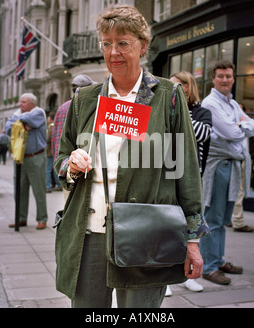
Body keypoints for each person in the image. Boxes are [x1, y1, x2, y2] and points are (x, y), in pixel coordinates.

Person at [54, 4, 210, 308]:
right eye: (107, 44)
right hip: (89, 236)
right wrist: (70, 166)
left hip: (145, 234)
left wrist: (192, 240)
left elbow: (186, 172)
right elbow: (60, 161)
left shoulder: (167, 96)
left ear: (143, 46)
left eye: (123, 43)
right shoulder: (85, 101)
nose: (114, 52)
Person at [200, 60, 254, 285]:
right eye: (221, 76)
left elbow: (250, 126)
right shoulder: (211, 103)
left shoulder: (232, 103)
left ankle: (218, 259)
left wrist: (240, 126)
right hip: (218, 167)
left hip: (231, 165)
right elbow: (233, 132)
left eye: (228, 76)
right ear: (213, 79)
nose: (225, 80)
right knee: (213, 217)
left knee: (223, 218)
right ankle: (208, 267)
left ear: (234, 79)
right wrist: (240, 125)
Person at [166, 71, 212, 294]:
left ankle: (187, 274)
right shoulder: (164, 110)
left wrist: (180, 112)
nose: (173, 89)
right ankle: (164, 277)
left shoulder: (202, 112)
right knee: (165, 224)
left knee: (191, 224)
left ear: (188, 88)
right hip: (166, 173)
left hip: (192, 176)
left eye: (179, 86)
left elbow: (202, 133)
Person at [5, 93, 48, 230]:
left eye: (24, 102)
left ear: (32, 104)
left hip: (36, 157)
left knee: (38, 190)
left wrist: (17, 122)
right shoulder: (19, 113)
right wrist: (23, 123)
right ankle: (21, 218)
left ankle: (42, 219)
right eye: (20, 102)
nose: (20, 104)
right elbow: (7, 128)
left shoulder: (39, 113)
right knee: (20, 189)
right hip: (20, 158)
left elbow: (29, 120)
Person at [52, 74, 96, 199]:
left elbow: (55, 142)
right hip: (82, 168)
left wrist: (60, 168)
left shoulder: (61, 108)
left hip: (66, 168)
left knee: (68, 205)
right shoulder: (85, 107)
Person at [229, 103, 254, 232]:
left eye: (241, 109)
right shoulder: (229, 123)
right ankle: (237, 221)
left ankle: (232, 218)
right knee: (236, 190)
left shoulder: (246, 124)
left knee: (238, 190)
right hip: (232, 159)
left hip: (243, 159)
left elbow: (252, 144)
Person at [46, 112, 62, 193]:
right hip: (55, 150)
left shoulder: (50, 127)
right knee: (55, 169)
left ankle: (48, 186)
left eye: (48, 118)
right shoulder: (56, 125)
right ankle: (59, 185)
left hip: (49, 151)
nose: (47, 120)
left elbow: (48, 139)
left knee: (48, 169)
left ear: (51, 119)